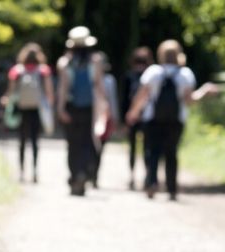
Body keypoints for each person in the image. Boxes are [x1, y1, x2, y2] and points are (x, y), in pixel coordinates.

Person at [126, 40, 219, 200]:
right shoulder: (185, 74)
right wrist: (204, 91)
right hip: (176, 120)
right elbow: (190, 100)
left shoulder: (153, 72)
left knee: (152, 152)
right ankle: (171, 188)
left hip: (152, 119)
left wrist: (133, 113)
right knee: (171, 153)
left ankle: (152, 182)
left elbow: (142, 95)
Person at [57, 26, 110, 196]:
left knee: (73, 144)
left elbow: (63, 89)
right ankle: (84, 173)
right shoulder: (95, 61)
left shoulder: (64, 63)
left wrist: (60, 109)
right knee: (88, 142)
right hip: (89, 108)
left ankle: (75, 176)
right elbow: (100, 86)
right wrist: (105, 107)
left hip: (71, 108)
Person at [2, 42, 54, 183]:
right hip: (37, 110)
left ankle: (21, 172)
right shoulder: (44, 71)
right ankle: (35, 171)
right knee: (35, 141)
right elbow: (49, 93)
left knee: (22, 141)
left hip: (22, 109)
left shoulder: (17, 70)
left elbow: (11, 91)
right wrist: (50, 108)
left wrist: (6, 101)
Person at [121, 47, 154, 190]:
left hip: (132, 116)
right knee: (148, 148)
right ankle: (147, 176)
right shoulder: (151, 75)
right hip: (147, 116)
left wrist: (124, 119)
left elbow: (124, 99)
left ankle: (132, 176)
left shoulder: (129, 76)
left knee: (133, 148)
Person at [89, 51, 119, 188]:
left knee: (99, 149)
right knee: (91, 148)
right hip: (91, 117)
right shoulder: (89, 78)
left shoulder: (108, 80)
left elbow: (112, 100)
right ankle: (91, 174)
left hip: (103, 118)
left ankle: (94, 175)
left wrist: (114, 118)